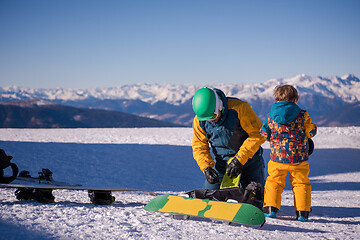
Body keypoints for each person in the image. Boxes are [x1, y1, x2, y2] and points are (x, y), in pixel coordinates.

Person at [192, 87, 266, 200]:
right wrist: (206, 167)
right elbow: (199, 146)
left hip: (250, 161)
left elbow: (258, 134)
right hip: (222, 164)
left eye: (213, 116)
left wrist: (239, 159)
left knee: (254, 200)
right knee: (208, 199)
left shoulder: (240, 108)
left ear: (220, 106)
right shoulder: (200, 120)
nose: (211, 120)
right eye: (207, 119)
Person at [260, 85, 317, 222]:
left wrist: (272, 138)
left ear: (276, 99)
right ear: (295, 99)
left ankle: (270, 209)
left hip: (277, 159)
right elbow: (311, 132)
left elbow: (264, 133)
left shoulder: (270, 116)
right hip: (298, 159)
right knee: (301, 184)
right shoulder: (303, 115)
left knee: (274, 182)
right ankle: (302, 213)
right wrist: (312, 129)